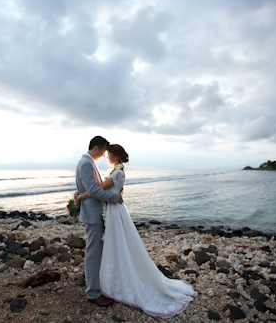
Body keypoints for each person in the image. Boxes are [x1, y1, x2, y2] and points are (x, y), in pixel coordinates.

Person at [78, 144, 197, 318]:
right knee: (116, 242)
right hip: (113, 211)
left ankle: (118, 280)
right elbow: (103, 189)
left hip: (114, 211)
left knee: (116, 242)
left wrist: (80, 195)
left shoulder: (117, 173)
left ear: (116, 156)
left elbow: (96, 190)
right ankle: (113, 278)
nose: (107, 156)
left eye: (109, 154)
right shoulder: (118, 171)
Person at [75, 136, 123, 307]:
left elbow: (88, 188)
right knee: (93, 253)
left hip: (95, 212)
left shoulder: (85, 162)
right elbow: (94, 191)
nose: (104, 155)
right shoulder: (86, 163)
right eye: (103, 151)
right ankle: (93, 293)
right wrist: (114, 197)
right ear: (96, 148)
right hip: (93, 214)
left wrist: (79, 194)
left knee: (96, 251)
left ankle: (97, 286)